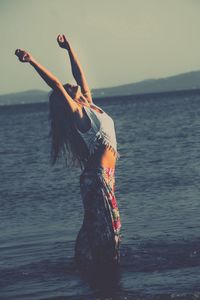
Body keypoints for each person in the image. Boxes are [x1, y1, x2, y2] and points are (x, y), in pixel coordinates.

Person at [15, 34, 122, 277]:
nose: (71, 85)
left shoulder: (90, 106)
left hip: (103, 178)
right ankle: (101, 277)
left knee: (105, 229)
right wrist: (32, 61)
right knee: (108, 230)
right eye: (68, 88)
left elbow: (79, 75)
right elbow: (56, 84)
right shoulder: (78, 115)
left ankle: (94, 273)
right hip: (97, 179)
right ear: (67, 100)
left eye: (72, 86)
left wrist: (69, 48)